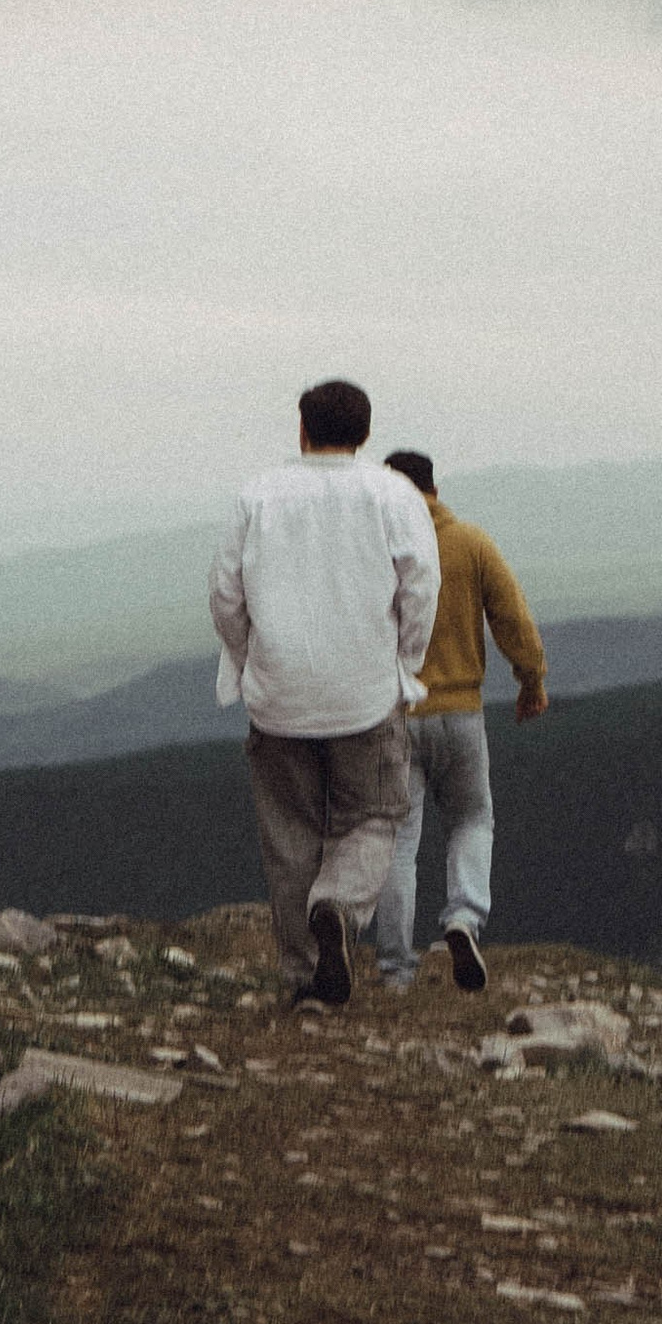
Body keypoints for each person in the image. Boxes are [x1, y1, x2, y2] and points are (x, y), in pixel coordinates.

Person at [209, 377, 440, 1006]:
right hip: (366, 692)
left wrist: (246, 657)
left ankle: (304, 979)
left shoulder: (256, 496)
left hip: (278, 694)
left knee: (290, 836)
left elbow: (225, 595)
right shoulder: (393, 495)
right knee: (375, 816)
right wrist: (405, 662)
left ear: (303, 430)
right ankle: (337, 906)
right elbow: (421, 588)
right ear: (365, 434)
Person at [370, 451, 548, 993]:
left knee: (398, 841)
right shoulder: (471, 542)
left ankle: (397, 968)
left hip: (396, 715)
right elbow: (512, 616)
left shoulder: (379, 552)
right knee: (472, 820)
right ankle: (464, 919)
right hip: (462, 713)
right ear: (435, 488)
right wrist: (531, 680)